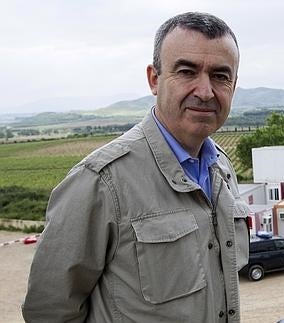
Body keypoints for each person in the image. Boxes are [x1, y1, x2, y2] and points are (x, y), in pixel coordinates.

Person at [22, 12, 249, 323]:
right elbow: (48, 311)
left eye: (220, 76)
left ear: (233, 86)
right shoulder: (101, 182)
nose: (205, 91)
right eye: (187, 71)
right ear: (154, 79)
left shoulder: (221, 168)